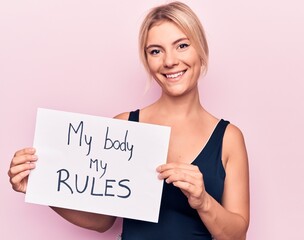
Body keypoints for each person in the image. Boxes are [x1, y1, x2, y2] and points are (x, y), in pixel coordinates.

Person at [8, 1, 250, 239]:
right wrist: (40, 187)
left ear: (201, 50)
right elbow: (103, 221)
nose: (169, 61)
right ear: (147, 60)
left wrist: (203, 201)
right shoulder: (124, 127)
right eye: (155, 51)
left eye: (182, 45)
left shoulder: (228, 138)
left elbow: (237, 235)